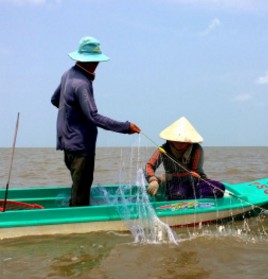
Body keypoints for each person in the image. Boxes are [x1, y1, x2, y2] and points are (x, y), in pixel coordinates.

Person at [51, 36, 141, 206]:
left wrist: (73, 117)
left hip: (66, 144)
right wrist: (126, 127)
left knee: (78, 187)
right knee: (80, 198)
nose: (97, 65)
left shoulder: (67, 75)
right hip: (80, 148)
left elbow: (55, 100)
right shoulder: (82, 84)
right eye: (96, 61)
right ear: (91, 62)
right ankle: (77, 225)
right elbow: (93, 116)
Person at [145, 117, 225, 200]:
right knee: (178, 193)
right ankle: (185, 197)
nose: (180, 144)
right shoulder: (163, 150)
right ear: (171, 140)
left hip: (195, 183)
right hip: (175, 184)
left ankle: (192, 197)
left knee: (219, 188)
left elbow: (195, 172)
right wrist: (153, 180)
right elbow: (149, 166)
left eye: (184, 142)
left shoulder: (196, 149)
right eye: (177, 141)